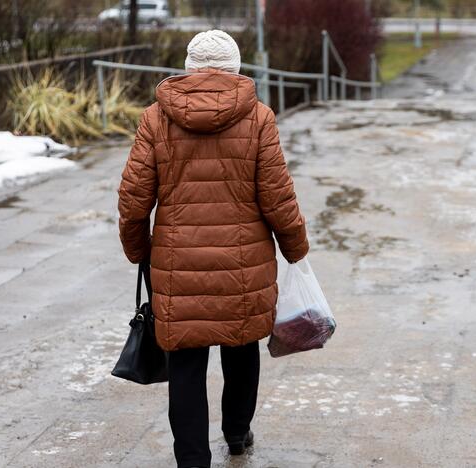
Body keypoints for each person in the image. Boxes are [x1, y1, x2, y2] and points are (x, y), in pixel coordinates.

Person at [117, 30, 309, 468]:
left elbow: (133, 200)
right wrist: (295, 248)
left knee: (184, 363)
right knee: (241, 347)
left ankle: (192, 460)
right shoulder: (259, 118)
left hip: (176, 263)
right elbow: (278, 198)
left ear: (189, 67)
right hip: (243, 264)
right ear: (235, 68)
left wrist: (137, 250)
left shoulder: (155, 118)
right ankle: (237, 435)